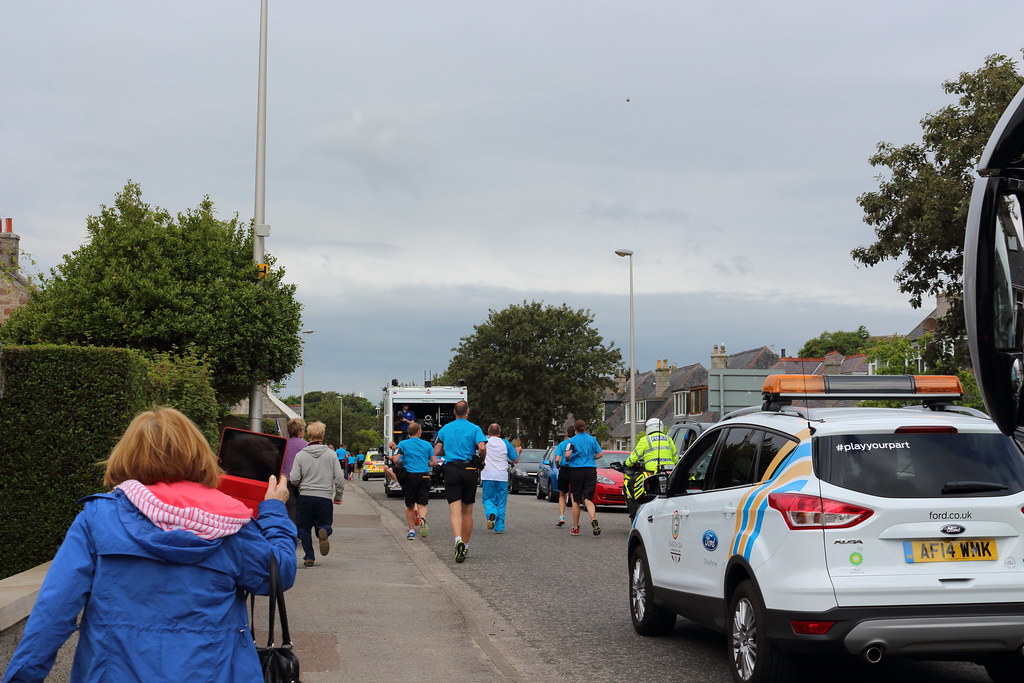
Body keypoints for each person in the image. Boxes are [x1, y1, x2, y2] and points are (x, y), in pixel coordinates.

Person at [1, 407, 296, 682]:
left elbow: (54, 610)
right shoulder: (230, 521)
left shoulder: (98, 517)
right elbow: (277, 574)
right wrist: (273, 510)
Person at [434, 400, 486, 563]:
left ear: (454, 412)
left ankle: (458, 540)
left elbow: (437, 450)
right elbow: (482, 447)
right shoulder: (475, 428)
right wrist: (481, 460)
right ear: (467, 412)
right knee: (467, 511)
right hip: (469, 469)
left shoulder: (445, 429)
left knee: (455, 511)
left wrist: (446, 453)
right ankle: (466, 546)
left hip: (451, 469)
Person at [289, 421, 345, 567]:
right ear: (322, 436)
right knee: (325, 523)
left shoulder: (300, 455)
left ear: (308, 435)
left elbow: (294, 478)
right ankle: (324, 530)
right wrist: (338, 496)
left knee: (304, 528)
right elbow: (339, 479)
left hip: (305, 496)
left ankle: (309, 556)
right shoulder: (331, 455)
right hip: (324, 497)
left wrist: (301, 484)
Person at [624, 418, 679, 518]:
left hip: (651, 473)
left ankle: (634, 512)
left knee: (630, 484)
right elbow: (675, 459)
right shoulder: (668, 439)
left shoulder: (645, 440)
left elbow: (633, 458)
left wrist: (627, 464)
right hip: (669, 472)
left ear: (648, 428)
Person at [389, 422, 436, 539]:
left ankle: (411, 532)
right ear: (419, 431)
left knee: (409, 506)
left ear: (409, 432)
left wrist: (403, 461)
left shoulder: (403, 444)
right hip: (424, 476)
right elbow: (434, 462)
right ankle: (423, 519)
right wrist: (426, 463)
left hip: (410, 477)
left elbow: (395, 459)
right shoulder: (428, 445)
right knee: (422, 504)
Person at [564, 419, 603, 536]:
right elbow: (600, 454)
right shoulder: (592, 439)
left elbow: (567, 454)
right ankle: (593, 517)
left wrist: (568, 459)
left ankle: (576, 528)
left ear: (575, 429)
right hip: (590, 469)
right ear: (585, 427)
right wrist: (591, 458)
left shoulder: (571, 441)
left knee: (576, 500)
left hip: (576, 470)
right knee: (588, 498)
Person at [481, 423, 519, 534]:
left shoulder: (484, 442)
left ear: (488, 432)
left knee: (488, 499)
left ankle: (491, 512)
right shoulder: (505, 443)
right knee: (501, 502)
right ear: (500, 432)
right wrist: (518, 451)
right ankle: (499, 527)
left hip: (488, 475)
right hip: (502, 476)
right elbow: (515, 460)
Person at [282, 417, 308, 526]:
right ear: (300, 431)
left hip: (285, 480)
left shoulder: (283, 444)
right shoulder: (305, 445)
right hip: (301, 482)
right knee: (301, 509)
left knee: (290, 508)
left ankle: (290, 529)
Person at [552, 424, 575, 527]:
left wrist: (557, 466)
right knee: (573, 495)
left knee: (562, 494)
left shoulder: (562, 444)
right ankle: (575, 520)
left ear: (566, 433)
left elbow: (557, 459)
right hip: (575, 470)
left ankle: (561, 516)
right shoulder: (577, 443)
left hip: (564, 470)